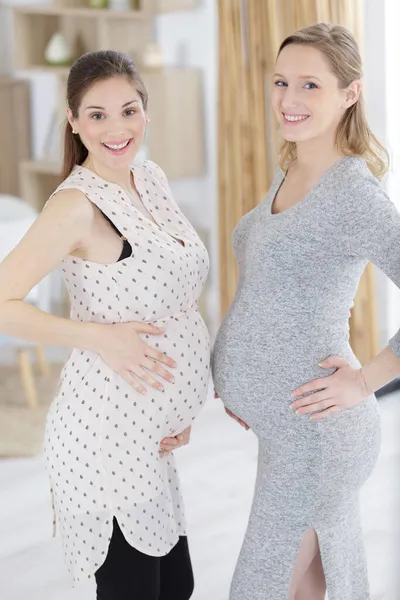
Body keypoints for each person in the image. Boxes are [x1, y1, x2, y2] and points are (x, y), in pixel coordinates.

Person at [0, 50, 211, 599]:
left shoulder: (150, 175)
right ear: (72, 120)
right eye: (96, 115)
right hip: (103, 438)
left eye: (129, 110)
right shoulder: (75, 206)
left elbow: (172, 299)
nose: (117, 129)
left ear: (146, 111)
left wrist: (179, 404)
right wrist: (97, 337)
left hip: (150, 432)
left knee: (177, 587)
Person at [212, 22, 400, 600]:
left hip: (316, 436)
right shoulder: (291, 165)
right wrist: (238, 380)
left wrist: (367, 380)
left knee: (258, 588)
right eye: (280, 81)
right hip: (286, 430)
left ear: (350, 94)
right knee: (313, 588)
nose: (289, 100)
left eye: (310, 86)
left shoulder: (354, 195)